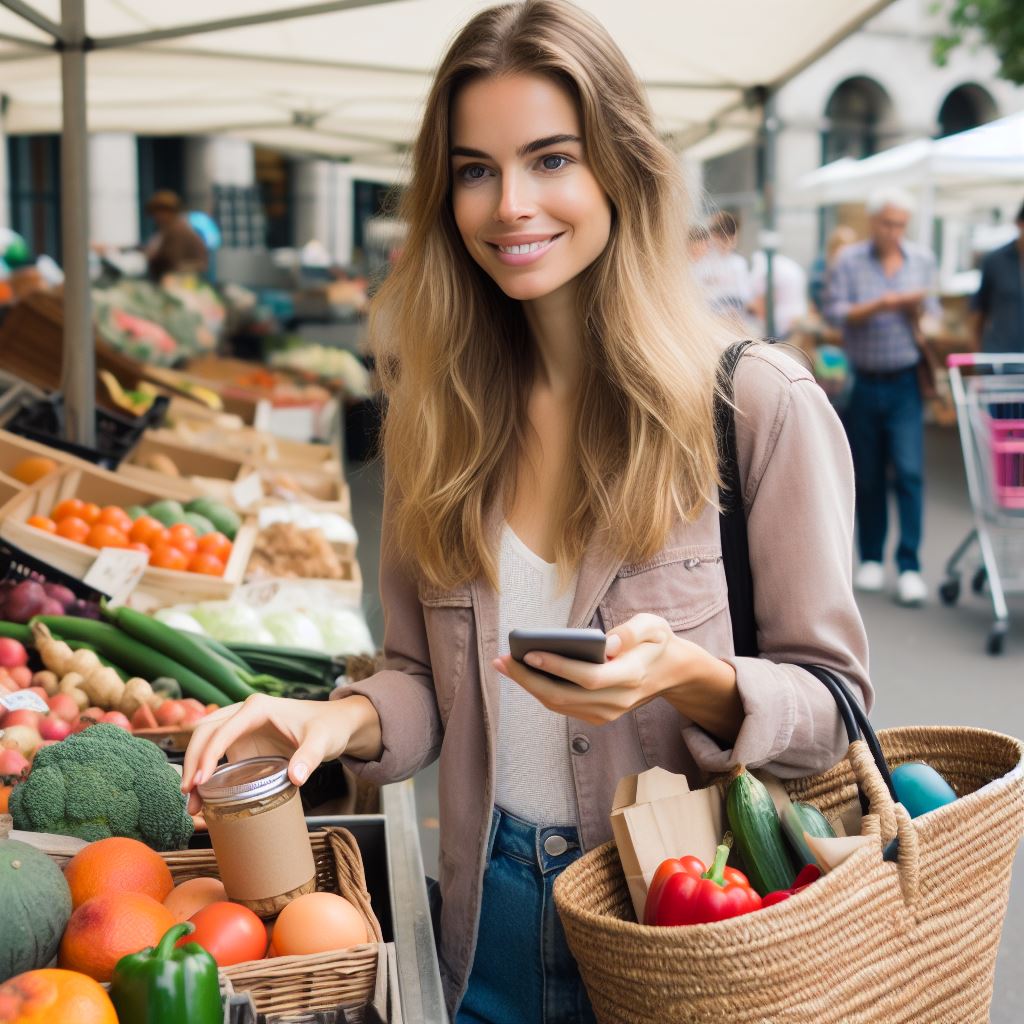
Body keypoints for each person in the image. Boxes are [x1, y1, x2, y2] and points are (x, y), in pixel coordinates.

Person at [181, 3, 871, 1021]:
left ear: (619, 169)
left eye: (551, 159)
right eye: (474, 170)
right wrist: (335, 716)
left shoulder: (753, 406)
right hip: (485, 924)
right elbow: (425, 683)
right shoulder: (435, 419)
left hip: (685, 929)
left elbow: (837, 710)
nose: (510, 204)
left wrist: (691, 679)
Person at [825, 188, 940, 607]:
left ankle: (909, 564)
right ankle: (871, 556)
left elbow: (936, 316)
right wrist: (883, 303)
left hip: (905, 380)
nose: (895, 232)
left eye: (901, 224)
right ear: (874, 222)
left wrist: (917, 311)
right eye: (888, 223)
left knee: (909, 471)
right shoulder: (849, 260)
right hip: (864, 379)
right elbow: (834, 312)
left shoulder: (922, 259)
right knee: (868, 472)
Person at [970, 199, 1024, 354]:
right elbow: (978, 311)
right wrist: (976, 356)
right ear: (1019, 223)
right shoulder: (994, 261)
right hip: (999, 357)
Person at [693, 210, 752, 317]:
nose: (729, 243)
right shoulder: (701, 261)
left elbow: (744, 295)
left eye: (732, 238)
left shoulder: (738, 264)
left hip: (732, 316)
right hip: (707, 316)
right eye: (723, 238)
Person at [143, 190, 209, 282]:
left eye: (157, 212)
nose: (155, 217)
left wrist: (153, 255)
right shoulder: (167, 229)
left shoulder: (177, 229)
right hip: (175, 277)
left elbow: (173, 259)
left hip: (182, 279)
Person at [749, 249, 808, 338]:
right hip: (797, 318)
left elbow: (760, 304)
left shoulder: (764, 269)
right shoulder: (785, 266)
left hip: (781, 325)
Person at [808, 224, 857, 314]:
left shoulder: (855, 266)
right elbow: (814, 293)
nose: (843, 249)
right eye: (840, 244)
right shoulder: (821, 264)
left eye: (847, 245)